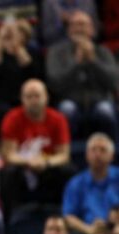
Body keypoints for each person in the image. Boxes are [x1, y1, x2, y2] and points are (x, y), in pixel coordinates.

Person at [0, 79, 72, 222]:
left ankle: (63, 216)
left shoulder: (58, 119)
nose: (33, 100)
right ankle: (10, 219)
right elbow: (8, 154)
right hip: (23, 166)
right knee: (8, 173)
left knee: (67, 171)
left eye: (37, 96)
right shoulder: (12, 118)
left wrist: (46, 162)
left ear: (46, 97)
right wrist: (29, 162)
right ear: (22, 99)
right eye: (29, 96)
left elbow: (64, 155)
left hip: (48, 166)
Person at [47, 10, 118, 140]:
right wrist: (76, 63)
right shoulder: (56, 52)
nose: (79, 29)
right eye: (75, 24)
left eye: (83, 24)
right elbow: (54, 83)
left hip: (100, 100)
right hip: (68, 100)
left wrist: (93, 61)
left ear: (92, 29)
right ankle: (67, 153)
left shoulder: (103, 51)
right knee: (67, 110)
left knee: (105, 111)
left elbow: (114, 82)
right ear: (68, 30)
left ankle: (109, 153)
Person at [63, 133, 119, 234]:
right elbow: (68, 216)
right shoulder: (76, 183)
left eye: (103, 150)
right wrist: (88, 230)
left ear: (112, 156)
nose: (97, 154)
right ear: (86, 155)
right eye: (93, 150)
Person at [0, 18, 42, 120]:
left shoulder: (32, 52)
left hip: (23, 97)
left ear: (25, 36)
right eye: (9, 34)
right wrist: (0, 38)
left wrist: (16, 45)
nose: (11, 35)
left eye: (18, 31)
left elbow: (30, 71)